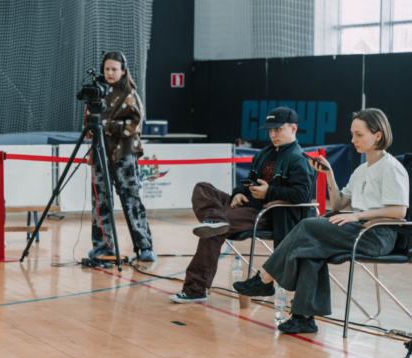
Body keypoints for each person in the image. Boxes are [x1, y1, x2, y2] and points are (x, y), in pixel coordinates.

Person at [234, 108, 409, 334]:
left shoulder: (391, 167)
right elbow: (338, 205)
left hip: (377, 234)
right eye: (353, 134)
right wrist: (329, 175)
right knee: (310, 250)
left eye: (359, 134)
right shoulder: (361, 170)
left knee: (307, 227)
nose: (353, 139)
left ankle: (265, 278)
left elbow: (399, 210)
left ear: (377, 135)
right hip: (357, 229)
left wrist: (357, 215)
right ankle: (303, 317)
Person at [169, 106, 315, 303]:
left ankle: (194, 289)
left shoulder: (299, 159)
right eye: (270, 130)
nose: (273, 134)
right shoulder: (263, 154)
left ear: (293, 129)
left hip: (267, 213)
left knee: (211, 230)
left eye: (277, 129)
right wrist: (238, 193)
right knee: (202, 188)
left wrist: (268, 192)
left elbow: (302, 195)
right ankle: (216, 219)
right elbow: (248, 183)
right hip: (247, 204)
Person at [88, 51, 155, 263]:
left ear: (123, 71)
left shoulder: (130, 94)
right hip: (100, 153)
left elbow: (133, 126)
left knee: (131, 200)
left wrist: (106, 126)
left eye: (114, 69)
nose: (109, 72)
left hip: (124, 154)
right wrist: (93, 128)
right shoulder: (99, 94)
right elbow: (88, 125)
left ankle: (144, 246)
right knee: (100, 201)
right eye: (106, 69)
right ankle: (102, 246)